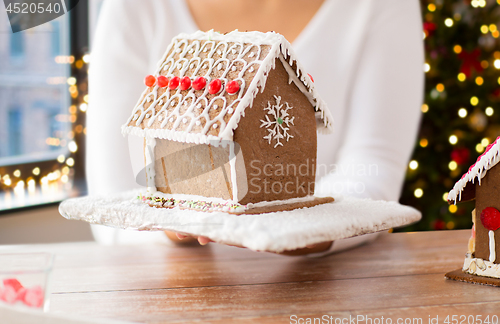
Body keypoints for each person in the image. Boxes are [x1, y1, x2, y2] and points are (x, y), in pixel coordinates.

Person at [86, 0, 424, 255]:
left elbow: (373, 167)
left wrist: (297, 230)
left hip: (313, 285)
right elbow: (112, 194)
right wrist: (171, 225)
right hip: (171, 287)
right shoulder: (133, 7)